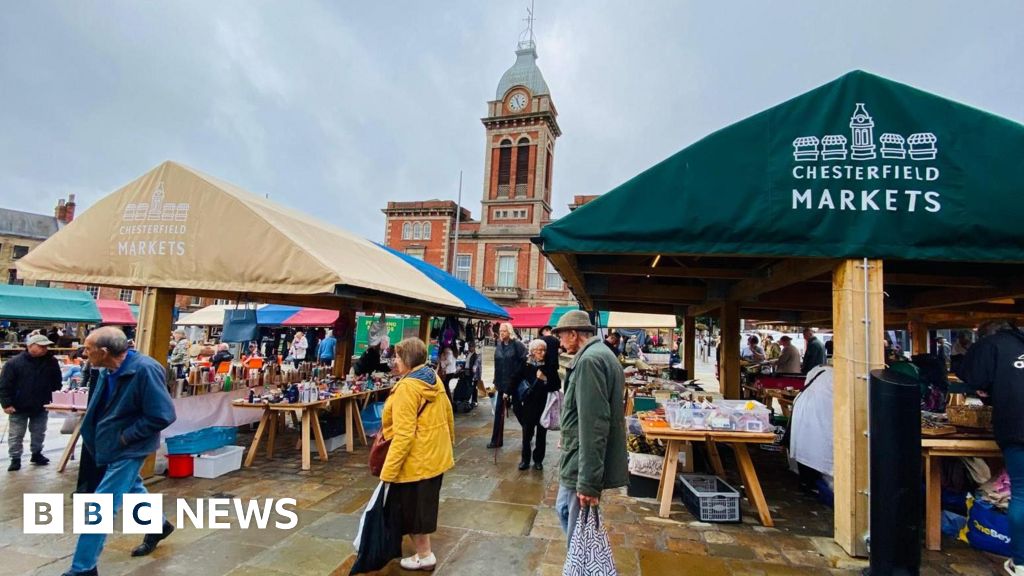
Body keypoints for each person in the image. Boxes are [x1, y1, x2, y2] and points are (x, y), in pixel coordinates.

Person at [63, 327, 177, 576]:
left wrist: (126, 437)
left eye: (88, 348)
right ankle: (158, 525)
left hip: (129, 448)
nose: (84, 353)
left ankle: (82, 569)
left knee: (100, 507)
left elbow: (163, 415)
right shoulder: (106, 369)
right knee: (133, 487)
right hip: (109, 444)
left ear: (104, 352)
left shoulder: (145, 369)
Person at [379, 337, 455, 571]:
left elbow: (403, 435)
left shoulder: (407, 388)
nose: (395, 360)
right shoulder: (433, 379)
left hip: (416, 461)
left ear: (407, 359)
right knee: (422, 508)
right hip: (435, 456)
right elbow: (448, 415)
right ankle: (424, 552)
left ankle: (424, 555)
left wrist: (388, 472)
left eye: (398, 356)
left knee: (411, 510)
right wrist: (449, 445)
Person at [552, 311, 628, 542]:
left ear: (574, 334)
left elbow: (594, 424)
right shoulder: (601, 353)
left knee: (574, 522)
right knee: (567, 512)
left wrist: (588, 483)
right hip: (578, 453)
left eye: (562, 335)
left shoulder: (589, 361)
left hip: (580, 461)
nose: (561, 342)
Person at [956, 320, 1024, 576]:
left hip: (1017, 427)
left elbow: (973, 377)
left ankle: (1021, 563)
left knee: (1022, 493)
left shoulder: (991, 345)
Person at [1, 334, 62, 471]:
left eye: (45, 346)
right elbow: (5, 385)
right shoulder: (14, 363)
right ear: (30, 346)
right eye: (41, 346)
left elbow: (57, 382)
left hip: (41, 404)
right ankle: (15, 458)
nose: (44, 349)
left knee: (39, 431)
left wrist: (54, 397)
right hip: (18, 405)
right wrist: (6, 403)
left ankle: (36, 453)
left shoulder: (51, 362)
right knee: (16, 433)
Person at [514, 339, 561, 471]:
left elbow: (557, 385)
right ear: (532, 351)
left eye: (544, 350)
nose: (542, 353)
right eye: (539, 350)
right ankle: (525, 460)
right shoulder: (526, 364)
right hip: (529, 404)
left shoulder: (549, 366)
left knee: (541, 433)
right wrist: (507, 392)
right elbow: (516, 378)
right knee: (526, 433)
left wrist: (545, 379)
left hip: (543, 404)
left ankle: (538, 460)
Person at [788, 365, 834, 492]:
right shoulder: (835, 376)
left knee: (806, 446)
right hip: (818, 413)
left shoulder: (818, 370)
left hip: (806, 409)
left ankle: (807, 483)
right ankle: (812, 484)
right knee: (815, 448)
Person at [489, 322, 526, 449]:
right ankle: (496, 440)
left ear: (509, 331)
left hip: (514, 383)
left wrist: (516, 378)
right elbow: (497, 365)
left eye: (504, 331)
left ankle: (528, 433)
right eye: (500, 331)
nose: (501, 333)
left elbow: (523, 363)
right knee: (499, 411)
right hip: (501, 383)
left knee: (518, 410)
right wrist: (495, 382)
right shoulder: (499, 345)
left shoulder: (517, 345)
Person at [465, 341, 484, 406]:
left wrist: (474, 369)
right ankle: (469, 399)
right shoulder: (468, 354)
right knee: (469, 387)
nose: (470, 348)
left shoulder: (476, 356)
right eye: (470, 347)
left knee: (473, 388)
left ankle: (474, 400)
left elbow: (476, 364)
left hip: (474, 374)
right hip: (467, 372)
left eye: (472, 347)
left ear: (474, 347)